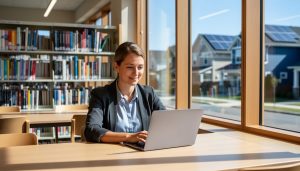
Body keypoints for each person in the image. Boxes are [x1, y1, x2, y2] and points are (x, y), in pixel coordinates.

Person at [85, 42, 166, 143]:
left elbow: (166, 120)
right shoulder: (100, 95)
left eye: (140, 67)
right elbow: (91, 130)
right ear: (116, 66)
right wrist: (128, 137)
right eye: (130, 67)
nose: (136, 73)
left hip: (143, 154)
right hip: (111, 155)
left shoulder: (149, 93)